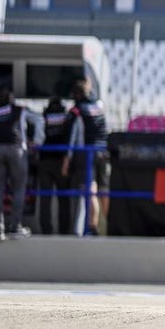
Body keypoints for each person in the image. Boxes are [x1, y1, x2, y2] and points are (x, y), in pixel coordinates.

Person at [0, 88, 45, 240]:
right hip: (17, 149)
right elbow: (39, 119)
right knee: (19, 188)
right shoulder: (19, 110)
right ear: (11, 99)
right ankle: (15, 227)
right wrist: (37, 142)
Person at [68, 78, 109, 236]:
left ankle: (92, 227)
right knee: (104, 190)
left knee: (90, 190)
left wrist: (68, 158)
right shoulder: (99, 105)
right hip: (104, 152)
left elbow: (72, 137)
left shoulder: (78, 110)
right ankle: (111, 224)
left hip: (87, 153)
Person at [35, 96, 75, 235]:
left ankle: (46, 230)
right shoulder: (67, 118)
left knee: (45, 199)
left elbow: (38, 140)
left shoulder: (43, 118)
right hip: (62, 161)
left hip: (45, 160)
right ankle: (64, 231)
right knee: (63, 199)